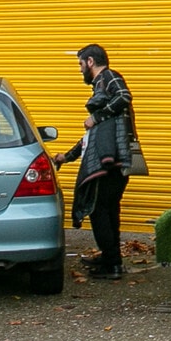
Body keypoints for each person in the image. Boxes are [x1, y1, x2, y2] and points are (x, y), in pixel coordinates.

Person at [55, 43, 136, 279]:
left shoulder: (108, 77)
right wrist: (66, 157)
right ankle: (112, 260)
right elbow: (93, 137)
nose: (80, 69)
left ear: (90, 62)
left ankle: (111, 264)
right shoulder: (101, 87)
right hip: (116, 159)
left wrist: (97, 116)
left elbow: (124, 96)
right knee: (109, 209)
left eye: (81, 64)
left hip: (110, 161)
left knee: (99, 210)